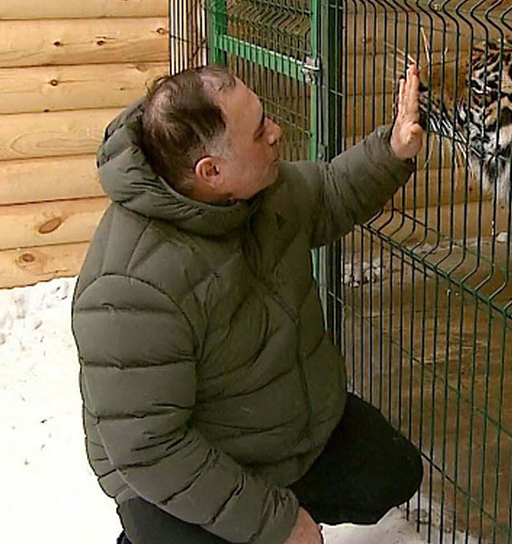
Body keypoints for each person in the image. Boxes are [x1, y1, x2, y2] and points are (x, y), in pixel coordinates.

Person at [71, 61, 426, 544]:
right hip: (169, 470)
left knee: (391, 471)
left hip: (273, 426)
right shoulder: (131, 287)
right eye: (259, 131)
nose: (277, 132)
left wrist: (393, 149)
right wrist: (275, 522)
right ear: (211, 171)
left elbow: (329, 192)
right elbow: (150, 448)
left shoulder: (259, 193)